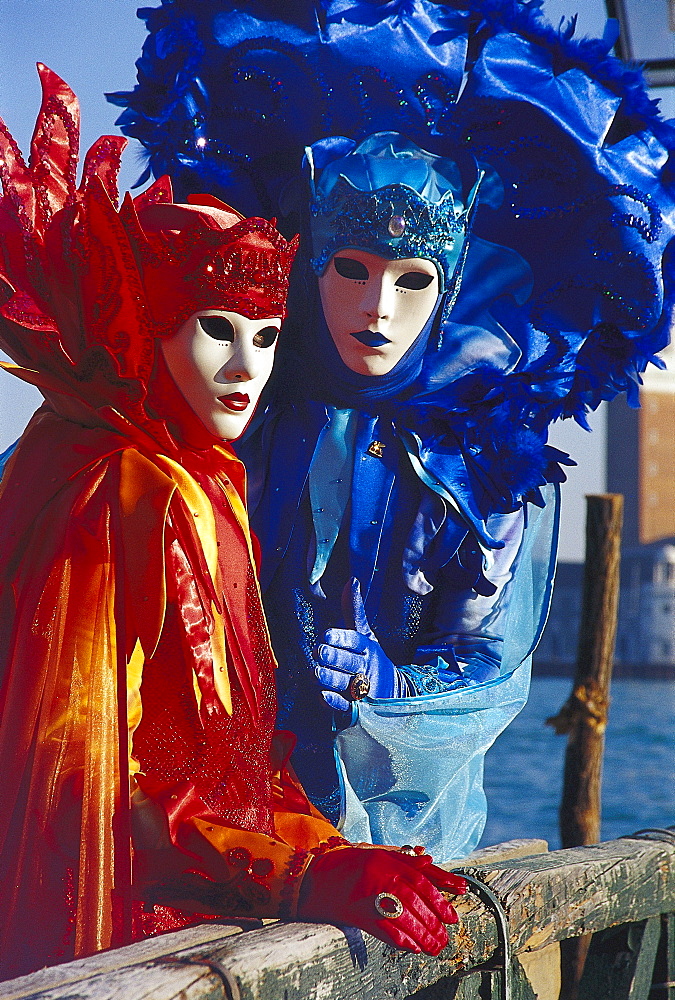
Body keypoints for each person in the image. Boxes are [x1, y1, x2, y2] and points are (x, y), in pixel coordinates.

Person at [115, 0, 675, 858]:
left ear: (448, 288)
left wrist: (395, 682)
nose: (378, 309)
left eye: (412, 280)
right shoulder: (239, 401)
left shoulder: (477, 459)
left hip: (405, 846)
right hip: (208, 831)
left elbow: (488, 667)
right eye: (351, 269)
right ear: (309, 263)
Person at [0, 66, 466, 981]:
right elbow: (98, 788)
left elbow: (230, 759)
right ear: (150, 331)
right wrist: (306, 873)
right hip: (125, 939)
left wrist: (323, 853)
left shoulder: (184, 473)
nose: (245, 368)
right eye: (215, 328)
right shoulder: (132, 490)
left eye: (264, 335)